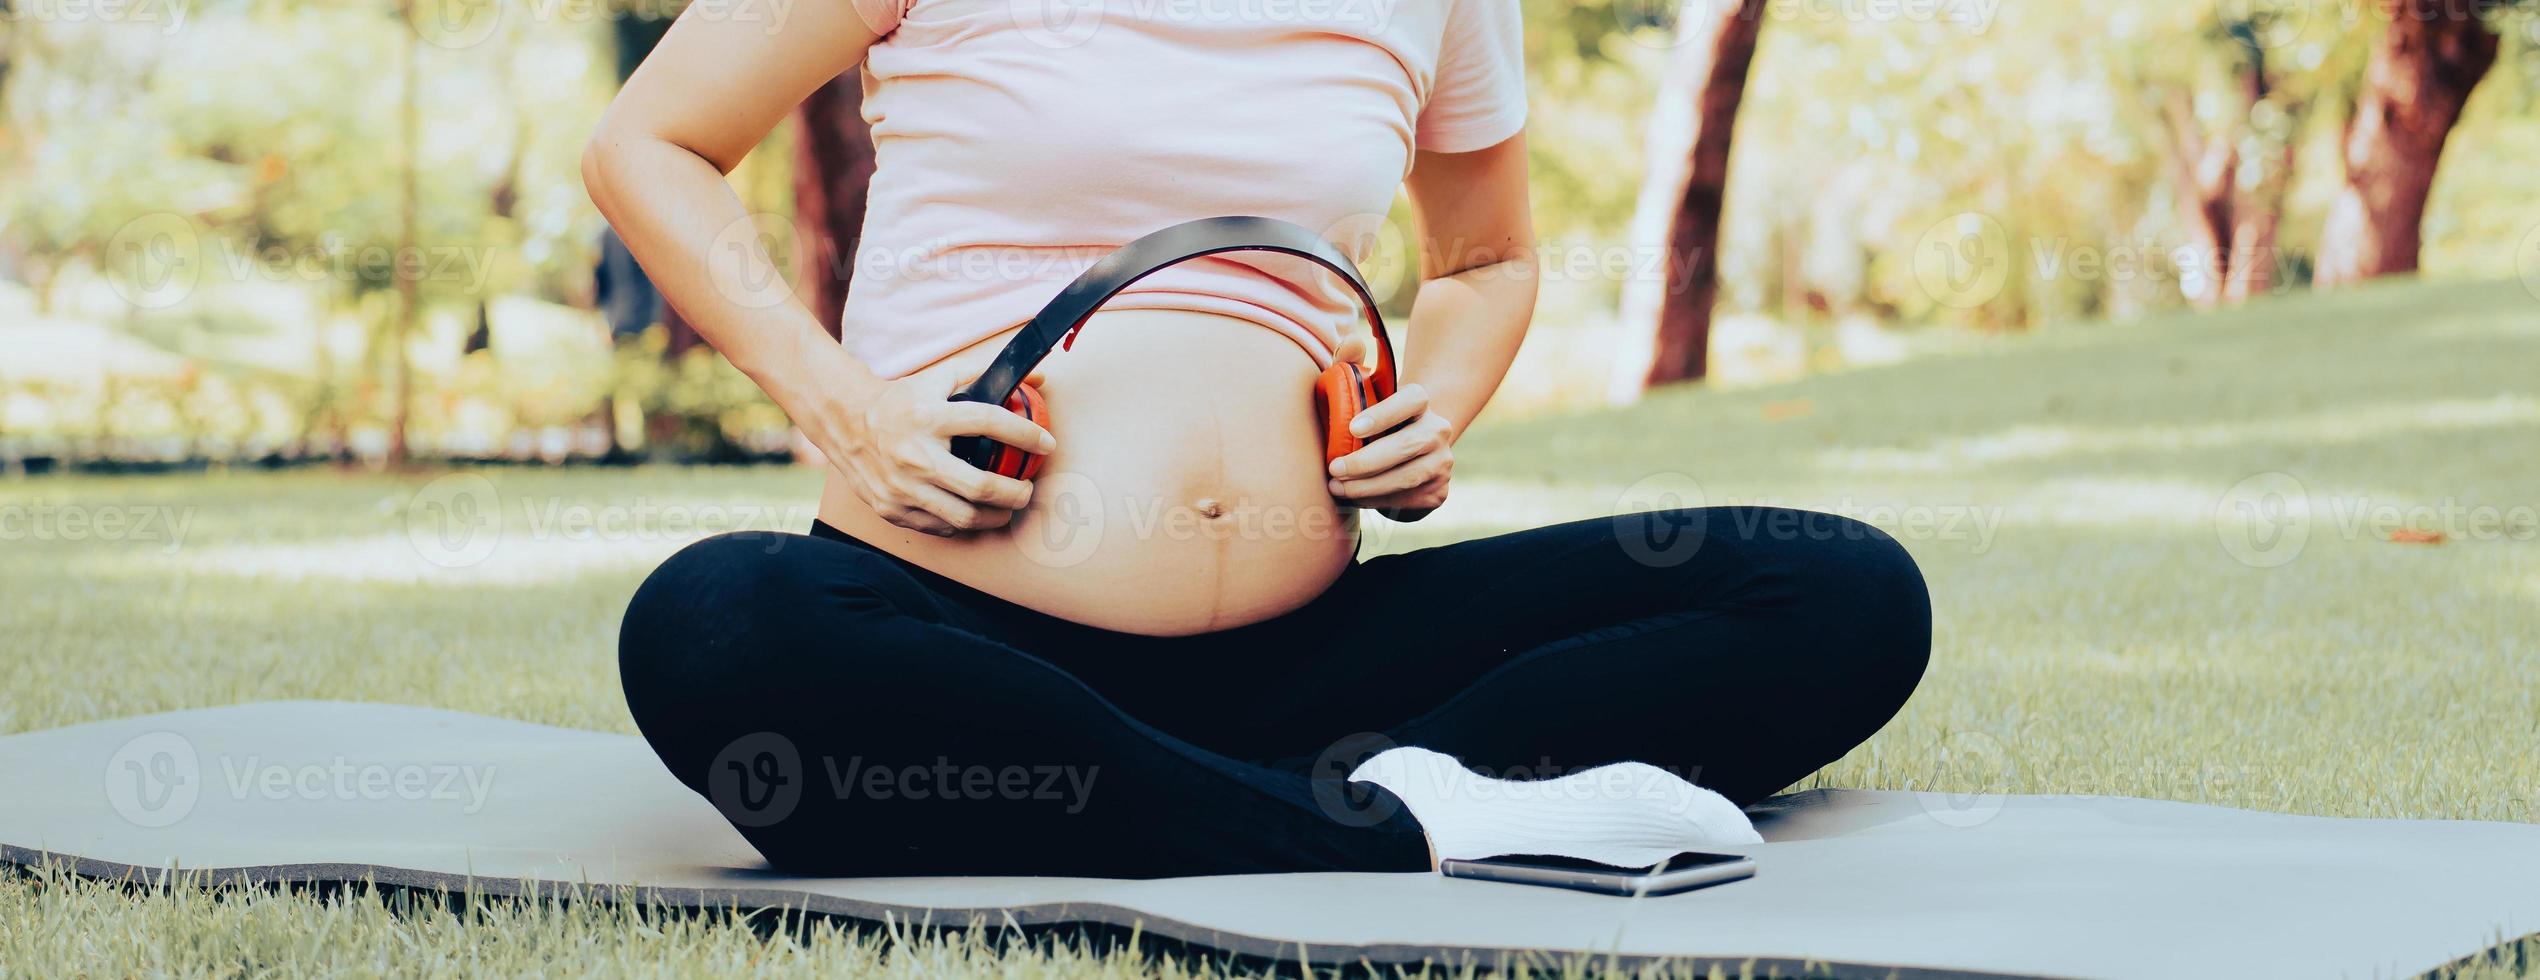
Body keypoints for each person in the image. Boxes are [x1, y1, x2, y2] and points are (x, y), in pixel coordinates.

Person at [587, 0, 1930, 878]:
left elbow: (1488, 257)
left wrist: (1437, 404)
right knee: (714, 625)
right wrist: (846, 406)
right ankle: (1401, 828)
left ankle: (1236, 803)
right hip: (954, 631)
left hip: (1309, 672)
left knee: (1839, 592)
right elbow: (649, 144)